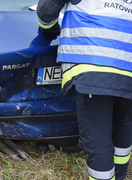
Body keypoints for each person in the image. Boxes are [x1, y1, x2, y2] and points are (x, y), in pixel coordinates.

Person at [36, 0, 132, 179]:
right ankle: (120, 175)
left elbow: (46, 10)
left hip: (94, 64)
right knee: (124, 127)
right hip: (128, 66)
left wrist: (49, 29)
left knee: (98, 140)